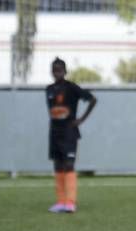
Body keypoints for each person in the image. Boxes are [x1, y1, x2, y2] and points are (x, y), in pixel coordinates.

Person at [46, 57, 97, 213]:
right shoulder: (48, 89)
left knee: (69, 165)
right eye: (54, 70)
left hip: (69, 133)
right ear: (51, 72)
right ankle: (61, 201)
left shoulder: (72, 87)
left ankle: (70, 202)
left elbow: (92, 100)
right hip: (55, 133)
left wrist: (81, 119)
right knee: (58, 166)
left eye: (60, 70)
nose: (57, 73)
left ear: (65, 71)